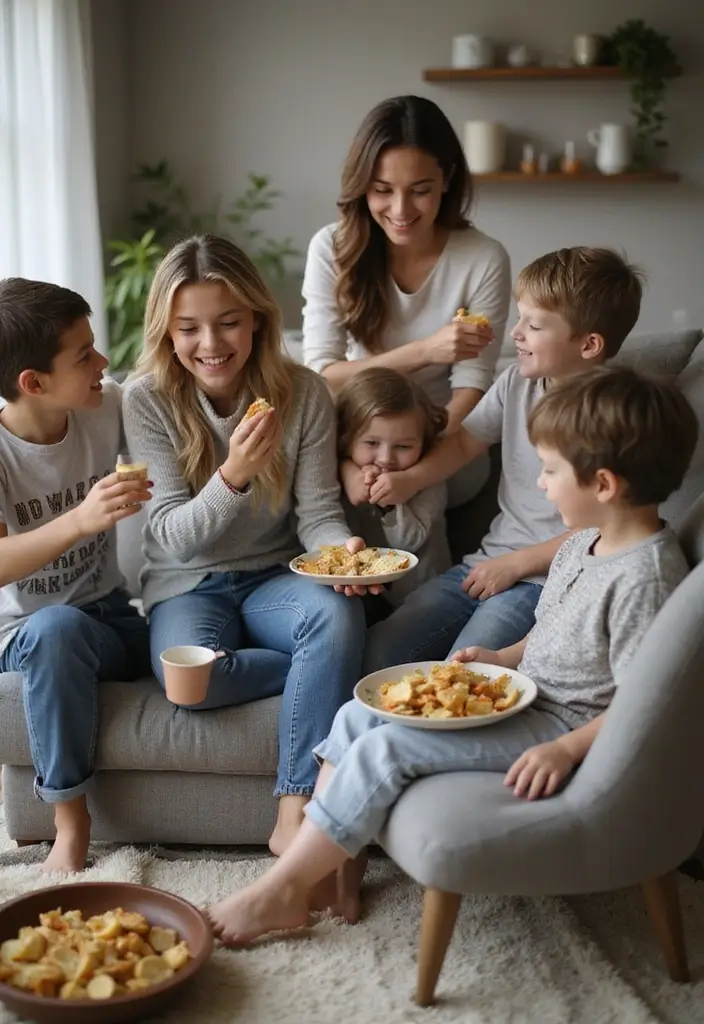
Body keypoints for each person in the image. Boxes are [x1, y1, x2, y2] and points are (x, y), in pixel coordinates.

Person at [206, 364, 698, 944]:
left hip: (564, 726)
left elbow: (644, 703)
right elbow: (550, 635)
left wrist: (565, 750)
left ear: (605, 484)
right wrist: (502, 655)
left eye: (549, 471)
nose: (540, 485)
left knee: (386, 749)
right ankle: (327, 867)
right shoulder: (581, 544)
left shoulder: (644, 575)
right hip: (528, 703)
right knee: (356, 713)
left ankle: (281, 891)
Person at [122, 234, 372, 857]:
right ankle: (331, 667)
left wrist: (343, 553)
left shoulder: (305, 392)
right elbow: (173, 537)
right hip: (186, 583)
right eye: (190, 329)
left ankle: (296, 813)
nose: (211, 345)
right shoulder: (146, 398)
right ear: (167, 332)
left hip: (273, 576)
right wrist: (231, 476)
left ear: (257, 318)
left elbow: (317, 514)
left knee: (337, 612)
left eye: (228, 323)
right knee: (190, 684)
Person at [362, 246, 644, 673]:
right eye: (519, 318)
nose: (515, 334)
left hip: (541, 582)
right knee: (378, 652)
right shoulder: (516, 383)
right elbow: (462, 445)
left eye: (533, 325)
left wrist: (517, 564)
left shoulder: (615, 415)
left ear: (589, 344)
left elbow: (609, 527)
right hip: (484, 564)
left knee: (464, 672)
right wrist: (411, 480)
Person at [0, 278, 152, 873]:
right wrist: (80, 519)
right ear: (32, 383)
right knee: (58, 627)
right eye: (83, 355)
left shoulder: (107, 403)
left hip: (112, 614)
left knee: (191, 640)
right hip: (29, 633)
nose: (103, 362)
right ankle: (69, 819)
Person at [302, 94, 511, 508]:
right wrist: (424, 351)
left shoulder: (483, 258)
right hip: (356, 439)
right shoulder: (331, 248)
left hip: (441, 444)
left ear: (447, 179)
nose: (400, 210)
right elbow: (323, 375)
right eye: (382, 190)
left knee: (422, 493)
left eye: (420, 191)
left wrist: (412, 467)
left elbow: (471, 388)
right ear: (363, 185)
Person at [336, 366, 451, 620]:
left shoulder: (428, 477)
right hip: (355, 593)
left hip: (417, 595)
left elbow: (407, 541)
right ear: (346, 438)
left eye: (402, 446)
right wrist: (347, 472)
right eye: (371, 443)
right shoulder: (337, 468)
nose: (386, 459)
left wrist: (387, 501)